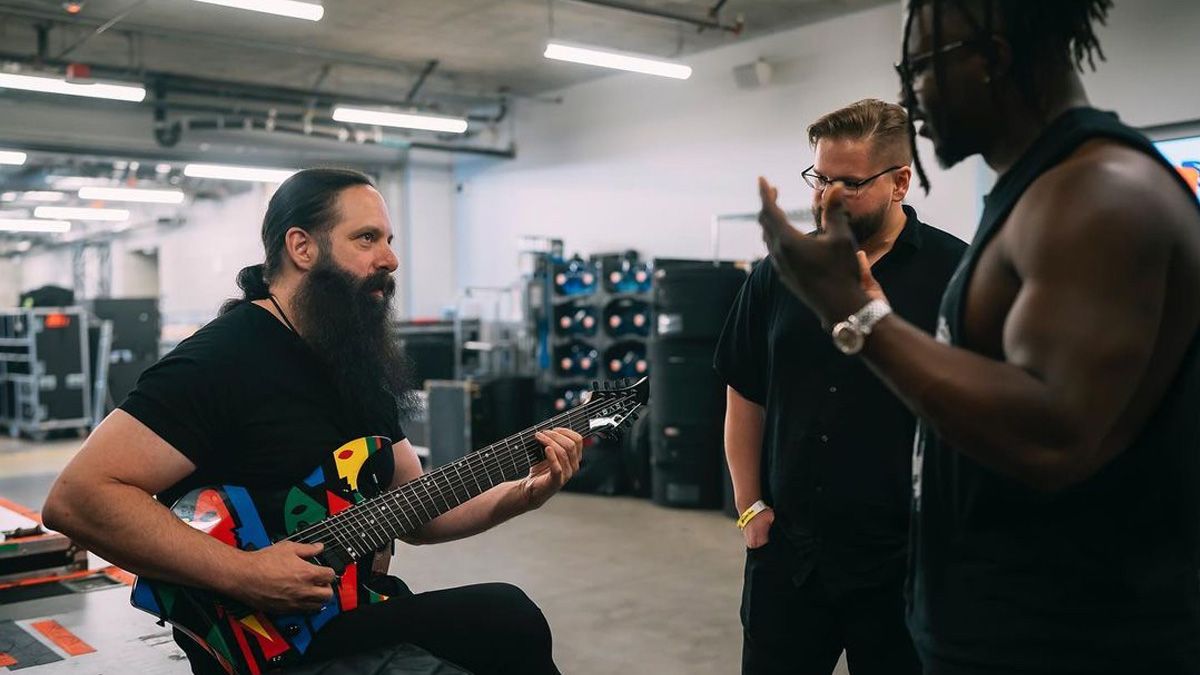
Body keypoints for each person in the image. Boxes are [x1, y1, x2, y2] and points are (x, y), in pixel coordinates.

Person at [755, 2, 1200, 673]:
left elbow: (1050, 431)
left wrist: (856, 314)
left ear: (989, 59)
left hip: (1078, 644)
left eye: (920, 68)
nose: (910, 97)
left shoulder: (1098, 195)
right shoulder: (1033, 194)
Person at [42, 168, 584, 675]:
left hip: (347, 609)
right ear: (301, 247)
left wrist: (522, 494)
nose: (391, 259)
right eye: (367, 239)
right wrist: (246, 574)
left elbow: (417, 511)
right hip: (261, 638)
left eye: (390, 240)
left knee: (509, 619)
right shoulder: (220, 359)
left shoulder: (354, 358)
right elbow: (80, 497)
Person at [716, 99, 966, 675]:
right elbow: (744, 390)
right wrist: (749, 505)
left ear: (901, 181)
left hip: (904, 563)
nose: (826, 197)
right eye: (819, 178)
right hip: (789, 558)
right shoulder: (779, 272)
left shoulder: (956, 274)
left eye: (848, 184)